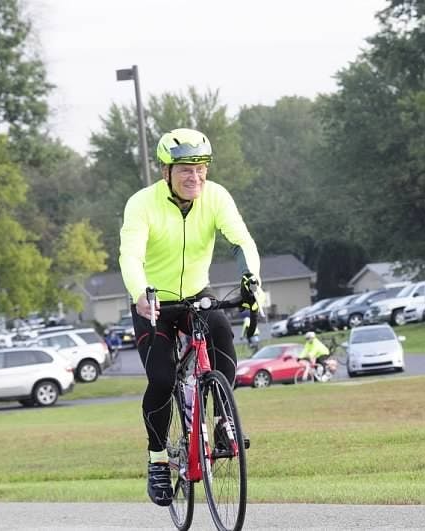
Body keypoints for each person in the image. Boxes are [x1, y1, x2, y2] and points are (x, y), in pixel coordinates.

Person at [119, 127, 262, 507]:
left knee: (223, 342)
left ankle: (221, 424)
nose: (194, 177)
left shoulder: (216, 197)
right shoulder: (142, 204)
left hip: (197, 294)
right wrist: (139, 294)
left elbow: (240, 241)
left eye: (201, 168)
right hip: (155, 303)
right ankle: (158, 459)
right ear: (165, 171)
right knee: (163, 378)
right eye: (185, 168)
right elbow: (130, 255)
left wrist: (253, 282)